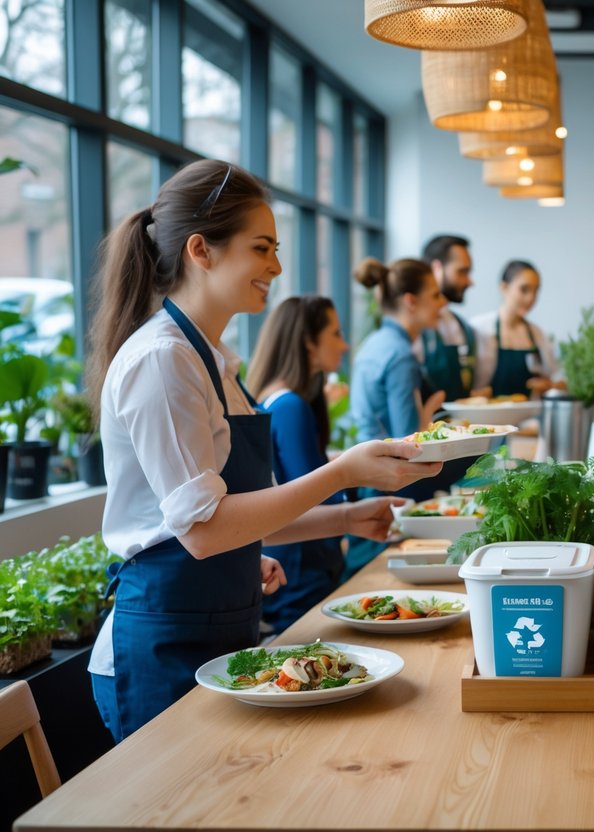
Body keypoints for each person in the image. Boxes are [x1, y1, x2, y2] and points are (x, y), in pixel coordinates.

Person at [85, 160, 441, 742]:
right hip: (159, 646)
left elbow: (239, 516)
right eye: (261, 248)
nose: (276, 267)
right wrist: (342, 472)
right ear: (201, 250)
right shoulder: (162, 361)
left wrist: (350, 514)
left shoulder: (216, 363)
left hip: (219, 629)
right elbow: (203, 533)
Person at [246, 295, 349, 634]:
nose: (344, 345)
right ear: (308, 341)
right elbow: (316, 494)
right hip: (303, 574)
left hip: (289, 567)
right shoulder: (292, 407)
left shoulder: (273, 399)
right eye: (335, 333)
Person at [346, 256, 447, 580]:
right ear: (410, 301)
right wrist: (429, 417)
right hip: (390, 489)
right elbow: (407, 441)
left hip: (363, 480)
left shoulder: (373, 345)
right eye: (435, 295)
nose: (442, 303)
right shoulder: (401, 355)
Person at [470, 260, 560, 397]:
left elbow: (555, 377)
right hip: (487, 415)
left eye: (536, 290)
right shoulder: (479, 328)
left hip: (529, 416)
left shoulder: (537, 334)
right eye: (524, 289)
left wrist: (549, 385)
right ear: (504, 288)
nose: (531, 298)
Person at [418, 234, 480, 402]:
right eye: (462, 272)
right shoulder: (415, 329)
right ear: (436, 268)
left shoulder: (462, 327)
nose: (469, 281)